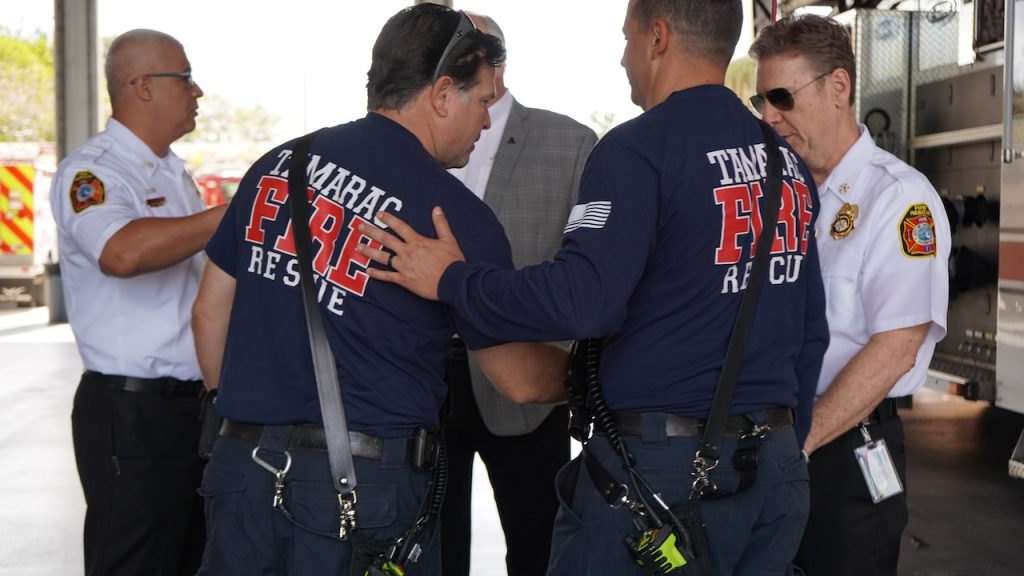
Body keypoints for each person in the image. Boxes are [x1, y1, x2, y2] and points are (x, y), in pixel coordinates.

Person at [356, 1, 830, 574]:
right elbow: (810, 333)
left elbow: (585, 300)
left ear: (657, 37)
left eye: (626, 37)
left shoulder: (638, 150)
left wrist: (455, 280)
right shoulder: (786, 164)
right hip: (773, 475)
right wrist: (786, 449)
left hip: (659, 480)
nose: (623, 56)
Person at [190, 5, 568, 575]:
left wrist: (241, 423)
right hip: (358, 494)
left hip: (240, 471)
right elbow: (519, 380)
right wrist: (601, 375)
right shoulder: (454, 217)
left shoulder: (279, 166)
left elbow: (209, 310)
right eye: (484, 101)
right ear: (443, 94)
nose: (488, 122)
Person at [749, 14, 950, 576]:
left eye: (782, 97)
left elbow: (896, 347)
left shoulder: (900, 199)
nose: (769, 116)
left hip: (841, 449)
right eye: (760, 100)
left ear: (838, 87)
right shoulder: (778, 197)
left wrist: (798, 445)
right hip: (770, 446)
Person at [49, 28, 222, 576]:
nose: (198, 92)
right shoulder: (93, 173)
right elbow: (120, 253)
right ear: (142, 86)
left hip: (190, 408)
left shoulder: (172, 171)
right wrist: (231, 214)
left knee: (192, 558)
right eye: (186, 78)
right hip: (133, 413)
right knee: (134, 561)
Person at [440, 12, 598, 576]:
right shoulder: (409, 141)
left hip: (528, 383)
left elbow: (590, 271)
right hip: (421, 381)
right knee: (430, 549)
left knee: (539, 550)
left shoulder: (571, 142)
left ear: (496, 62)